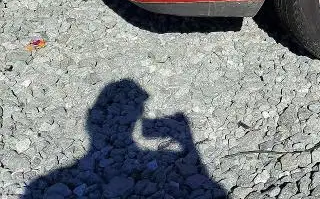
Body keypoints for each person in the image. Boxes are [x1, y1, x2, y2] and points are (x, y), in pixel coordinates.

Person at [22, 79, 225, 198]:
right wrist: (188, 143)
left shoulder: (40, 182)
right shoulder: (167, 158)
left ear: (91, 119)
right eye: (141, 109)